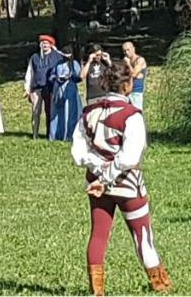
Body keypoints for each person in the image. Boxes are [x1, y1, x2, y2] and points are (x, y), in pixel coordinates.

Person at [71, 60, 171, 296]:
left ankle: (97, 290)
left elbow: (78, 153)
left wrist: (99, 171)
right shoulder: (131, 115)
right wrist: (108, 175)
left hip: (96, 184)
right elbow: (129, 156)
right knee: (142, 234)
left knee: (98, 234)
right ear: (127, 85)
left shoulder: (89, 112)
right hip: (127, 184)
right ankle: (160, 283)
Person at [25, 35, 64, 139]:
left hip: (50, 88)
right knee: (36, 112)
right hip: (36, 88)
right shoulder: (35, 57)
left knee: (49, 111)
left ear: (51, 45)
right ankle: (35, 134)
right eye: (43, 43)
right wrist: (27, 88)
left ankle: (49, 134)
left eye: (47, 43)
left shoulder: (57, 57)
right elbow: (30, 73)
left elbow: (64, 64)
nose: (44, 45)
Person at [49, 50, 83, 141]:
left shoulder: (74, 64)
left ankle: (70, 135)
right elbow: (51, 76)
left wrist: (70, 76)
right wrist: (56, 78)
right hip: (59, 90)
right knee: (58, 113)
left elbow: (79, 77)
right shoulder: (58, 64)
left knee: (70, 113)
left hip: (70, 89)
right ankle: (56, 135)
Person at [123, 42, 148, 111]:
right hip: (127, 91)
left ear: (133, 49)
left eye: (128, 50)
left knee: (136, 112)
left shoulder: (140, 60)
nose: (126, 52)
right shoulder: (126, 61)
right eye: (124, 51)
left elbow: (134, 74)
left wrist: (128, 64)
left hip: (137, 91)